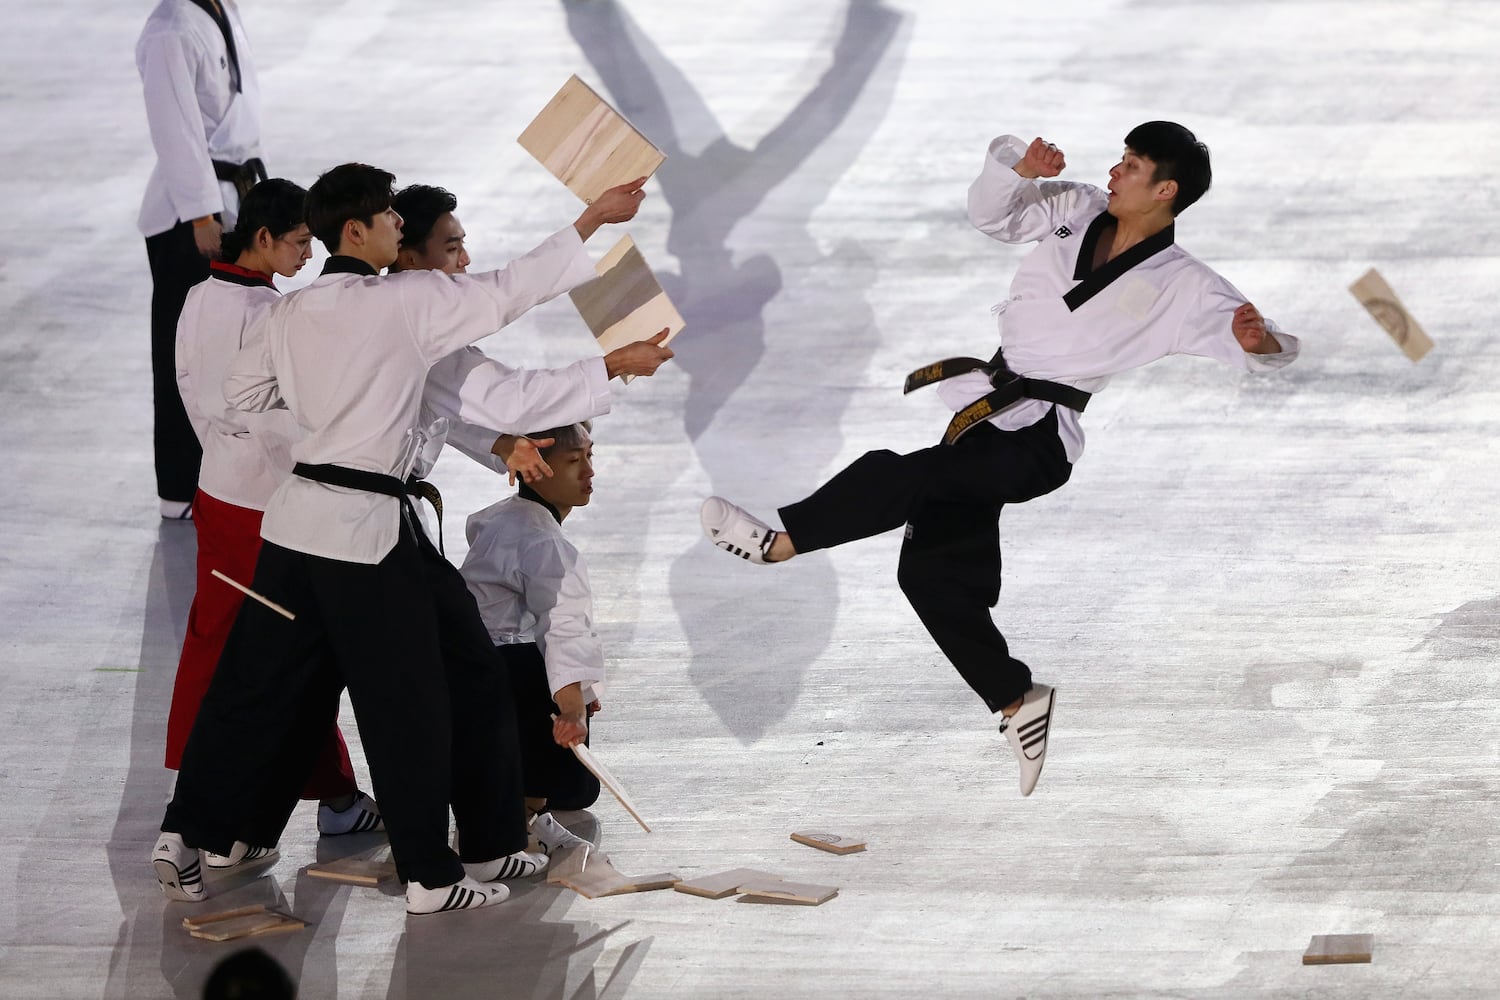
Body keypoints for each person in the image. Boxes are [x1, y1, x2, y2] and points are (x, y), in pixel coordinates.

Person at [700, 122, 1300, 797]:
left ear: (1166, 189)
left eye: (1131, 165)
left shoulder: (1183, 283)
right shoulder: (1074, 208)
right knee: (929, 572)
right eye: (1121, 158)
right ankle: (1017, 699)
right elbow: (993, 216)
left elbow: (1265, 345)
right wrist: (1021, 174)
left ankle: (783, 542)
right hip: (989, 412)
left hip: (1039, 438)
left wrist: (1260, 342)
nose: (1115, 170)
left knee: (908, 474)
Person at [153, 162, 671, 916]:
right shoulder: (405, 303)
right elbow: (506, 295)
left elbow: (243, 395)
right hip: (363, 531)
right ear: (357, 231)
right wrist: (593, 228)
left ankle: (188, 833)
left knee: (270, 682)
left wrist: (323, 421)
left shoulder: (290, 312)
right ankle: (430, 874)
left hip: (301, 517)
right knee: (408, 701)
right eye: (391, 219)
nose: (400, 227)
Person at [170, 178, 381, 863]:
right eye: (297, 241)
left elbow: (187, 389)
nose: (307, 253)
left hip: (217, 490)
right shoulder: (272, 314)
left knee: (238, 646)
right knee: (286, 657)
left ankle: (332, 799)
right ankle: (213, 811)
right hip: (267, 506)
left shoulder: (199, 297)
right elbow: (276, 416)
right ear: (262, 238)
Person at [137, 0, 267, 519]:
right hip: (191, 217)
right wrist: (200, 214)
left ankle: (227, 475)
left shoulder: (222, 10)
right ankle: (179, 486)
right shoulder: (170, 28)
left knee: (230, 347)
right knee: (184, 351)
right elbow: (174, 130)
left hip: (233, 197)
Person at [460, 422, 606, 852]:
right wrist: (573, 706)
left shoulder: (506, 518)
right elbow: (563, 626)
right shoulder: (545, 543)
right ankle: (522, 818)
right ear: (535, 470)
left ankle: (521, 803)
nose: (589, 473)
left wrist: (581, 689)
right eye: (573, 461)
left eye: (590, 456)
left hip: (472, 668)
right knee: (559, 692)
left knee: (580, 789)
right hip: (496, 677)